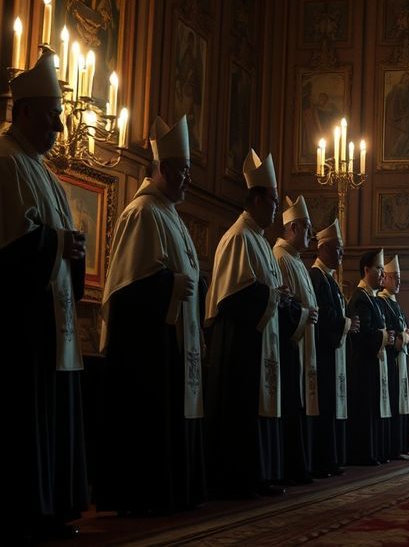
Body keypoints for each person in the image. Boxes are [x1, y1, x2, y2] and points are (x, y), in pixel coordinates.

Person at [96, 115, 205, 514]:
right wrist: (171, 285)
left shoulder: (170, 214)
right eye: (183, 170)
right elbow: (127, 290)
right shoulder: (143, 212)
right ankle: (145, 493)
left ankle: (174, 489)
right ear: (163, 168)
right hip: (149, 348)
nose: (188, 179)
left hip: (172, 341)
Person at [1, 52, 88, 540]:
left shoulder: (44, 173)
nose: (60, 124)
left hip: (52, 321)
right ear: (27, 110)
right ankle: (26, 510)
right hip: (22, 322)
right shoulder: (6, 162)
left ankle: (52, 506)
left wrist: (70, 247)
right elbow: (11, 247)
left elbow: (50, 239)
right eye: (54, 114)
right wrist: (58, 243)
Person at [204, 149, 300, 498]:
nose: (275, 208)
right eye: (273, 200)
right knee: (243, 409)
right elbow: (232, 297)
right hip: (241, 346)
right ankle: (241, 477)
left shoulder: (258, 239)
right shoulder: (239, 237)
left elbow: (260, 290)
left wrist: (278, 297)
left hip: (260, 343)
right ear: (257, 199)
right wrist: (273, 296)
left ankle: (262, 473)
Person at [273, 196, 321, 485]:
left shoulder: (297, 260)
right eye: (306, 228)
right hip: (291, 344)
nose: (310, 235)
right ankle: (294, 466)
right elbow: (284, 303)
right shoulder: (280, 257)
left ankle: (304, 463)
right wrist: (305, 315)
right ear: (292, 228)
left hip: (304, 342)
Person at [308, 220, 356, 477]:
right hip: (323, 353)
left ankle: (334, 457)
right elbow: (325, 316)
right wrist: (345, 323)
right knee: (325, 404)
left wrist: (346, 323)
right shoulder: (317, 277)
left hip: (334, 352)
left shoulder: (330, 279)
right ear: (323, 248)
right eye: (338, 249)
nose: (341, 254)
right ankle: (324, 459)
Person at [347, 250, 393, 465]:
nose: (383, 274)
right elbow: (362, 333)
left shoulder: (372, 298)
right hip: (362, 365)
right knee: (364, 408)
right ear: (366, 270)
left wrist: (385, 335)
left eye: (383, 270)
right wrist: (384, 336)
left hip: (373, 363)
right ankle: (363, 453)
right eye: (379, 269)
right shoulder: (360, 298)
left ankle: (375, 451)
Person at [378, 255, 409, 459]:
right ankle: (392, 447)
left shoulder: (396, 304)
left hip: (401, 359)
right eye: (395, 278)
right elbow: (391, 333)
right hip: (390, 360)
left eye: (400, 278)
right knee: (392, 400)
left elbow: (403, 329)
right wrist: (405, 337)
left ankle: (401, 445)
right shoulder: (381, 302)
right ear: (384, 278)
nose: (399, 282)